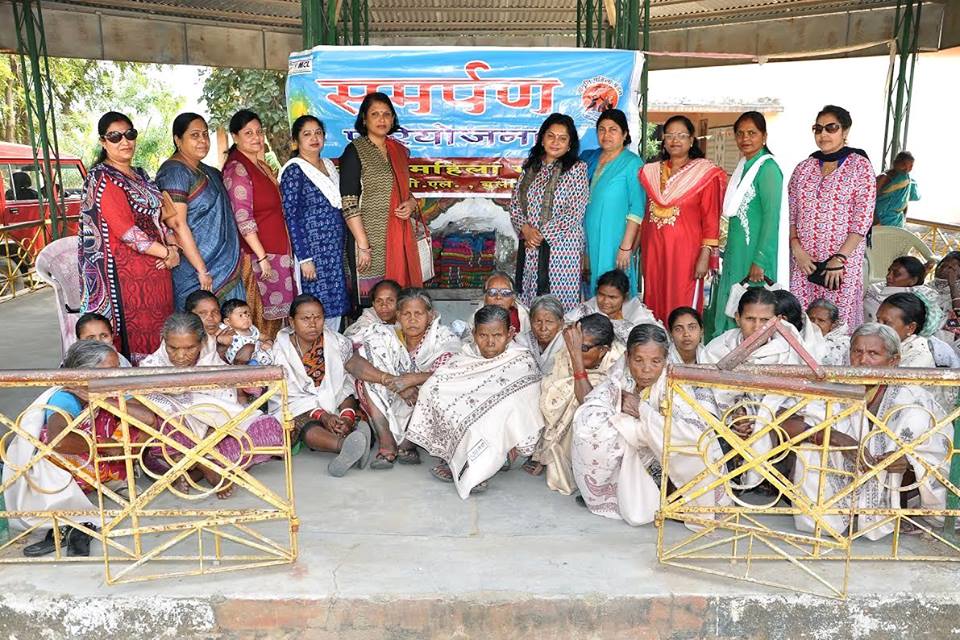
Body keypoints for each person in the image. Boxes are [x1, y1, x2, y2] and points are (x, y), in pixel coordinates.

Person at [784, 323, 948, 540]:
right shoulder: (833, 387)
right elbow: (785, 422)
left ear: (893, 361)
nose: (862, 360)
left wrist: (908, 461)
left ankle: (880, 512)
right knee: (812, 441)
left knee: (915, 419)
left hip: (897, 485)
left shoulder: (914, 396)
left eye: (873, 354)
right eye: (857, 352)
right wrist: (833, 438)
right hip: (834, 490)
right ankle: (828, 514)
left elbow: (940, 447)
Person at [4, 340, 154, 557]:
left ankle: (107, 480)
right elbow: (60, 441)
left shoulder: (108, 390)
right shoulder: (65, 397)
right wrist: (105, 446)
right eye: (109, 371)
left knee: (136, 425)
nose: (117, 375)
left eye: (117, 369)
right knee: (53, 442)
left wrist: (101, 398)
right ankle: (73, 514)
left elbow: (148, 420)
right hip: (70, 468)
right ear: (84, 374)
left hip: (99, 461)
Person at [571, 324, 729, 526]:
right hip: (643, 455)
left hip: (667, 461)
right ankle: (615, 491)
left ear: (665, 360)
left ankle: (667, 494)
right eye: (638, 360)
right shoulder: (619, 377)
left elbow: (695, 433)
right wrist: (626, 420)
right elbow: (590, 411)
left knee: (688, 446)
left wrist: (642, 413)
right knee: (590, 425)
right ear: (628, 357)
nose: (646, 369)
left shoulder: (674, 384)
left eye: (656, 361)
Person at [406, 305, 545, 498]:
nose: (490, 343)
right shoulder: (465, 355)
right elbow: (438, 383)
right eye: (483, 336)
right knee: (433, 389)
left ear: (510, 333)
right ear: (473, 333)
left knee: (500, 408)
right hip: (470, 427)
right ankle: (454, 455)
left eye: (497, 335)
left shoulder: (521, 360)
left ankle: (494, 461)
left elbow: (525, 402)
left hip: (506, 435)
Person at [140, 313, 285, 496]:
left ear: (201, 342)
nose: (180, 356)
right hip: (176, 440)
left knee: (267, 428)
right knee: (168, 423)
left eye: (190, 348)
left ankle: (194, 468)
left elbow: (225, 404)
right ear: (164, 342)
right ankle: (207, 468)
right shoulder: (151, 368)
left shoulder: (212, 361)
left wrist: (212, 432)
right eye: (173, 348)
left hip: (214, 435)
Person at [269, 294, 406, 476]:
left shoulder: (335, 341)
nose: (313, 324)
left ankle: (350, 429)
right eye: (305, 319)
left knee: (351, 403)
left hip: (335, 402)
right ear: (292, 322)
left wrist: (346, 417)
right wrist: (323, 416)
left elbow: (349, 376)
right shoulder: (280, 350)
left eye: (318, 318)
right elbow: (287, 395)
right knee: (306, 427)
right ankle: (343, 446)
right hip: (300, 408)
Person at [78, 111, 176, 364]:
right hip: (126, 277)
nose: (125, 141)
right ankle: (135, 394)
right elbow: (126, 232)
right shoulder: (103, 177)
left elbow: (160, 217)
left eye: (129, 134)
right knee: (134, 338)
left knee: (159, 334)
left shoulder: (141, 175)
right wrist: (166, 253)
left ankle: (160, 392)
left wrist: (173, 248)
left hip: (158, 270)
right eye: (115, 136)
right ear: (103, 142)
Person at [702, 287, 804, 489]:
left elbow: (797, 395)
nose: (758, 327)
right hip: (730, 420)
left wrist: (760, 416)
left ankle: (779, 482)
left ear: (777, 320)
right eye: (750, 319)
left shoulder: (790, 348)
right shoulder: (718, 348)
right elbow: (709, 392)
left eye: (765, 320)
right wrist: (735, 416)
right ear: (737, 318)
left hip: (776, 420)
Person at [788, 105, 876, 330]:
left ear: (845, 131)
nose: (823, 134)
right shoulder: (804, 168)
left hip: (840, 264)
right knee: (802, 320)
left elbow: (862, 220)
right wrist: (797, 248)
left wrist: (839, 259)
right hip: (804, 261)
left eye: (831, 128)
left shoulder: (860, 166)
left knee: (837, 322)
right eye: (818, 129)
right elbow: (790, 214)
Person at [354, 288, 461, 469]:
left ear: (430, 315)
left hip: (422, 400)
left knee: (436, 387)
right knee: (368, 379)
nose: (412, 319)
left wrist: (413, 379)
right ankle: (386, 442)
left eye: (418, 313)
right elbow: (352, 361)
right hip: (393, 393)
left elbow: (455, 373)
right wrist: (394, 382)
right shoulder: (384, 335)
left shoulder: (442, 337)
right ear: (398, 316)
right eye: (406, 314)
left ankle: (409, 441)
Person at [704, 112, 787, 340]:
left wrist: (760, 259)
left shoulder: (768, 169)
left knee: (751, 307)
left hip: (755, 254)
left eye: (752, 133)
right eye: (740, 134)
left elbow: (772, 218)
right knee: (731, 301)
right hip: (736, 251)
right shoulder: (744, 166)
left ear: (764, 136)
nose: (745, 139)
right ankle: (726, 346)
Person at [638, 115, 726, 323]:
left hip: (687, 253)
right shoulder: (651, 172)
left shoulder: (704, 173)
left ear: (692, 139)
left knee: (683, 304)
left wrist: (705, 255)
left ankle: (683, 351)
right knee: (654, 300)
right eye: (669, 135)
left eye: (681, 135)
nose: (674, 140)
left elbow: (710, 218)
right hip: (654, 250)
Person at [339, 92, 423, 305]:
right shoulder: (354, 151)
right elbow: (348, 201)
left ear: (393, 119)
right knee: (372, 304)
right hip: (367, 240)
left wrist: (411, 204)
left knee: (399, 301)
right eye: (375, 114)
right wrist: (363, 245)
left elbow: (404, 191)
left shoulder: (399, 151)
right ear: (364, 119)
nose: (382, 119)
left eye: (387, 114)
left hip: (398, 238)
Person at [155, 112, 243, 310]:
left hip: (226, 265)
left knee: (234, 329)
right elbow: (177, 223)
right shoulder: (174, 172)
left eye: (205, 134)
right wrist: (202, 270)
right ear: (178, 140)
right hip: (194, 271)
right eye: (194, 135)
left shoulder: (210, 171)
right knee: (198, 329)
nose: (203, 140)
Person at [532, 313, 624, 493]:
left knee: (581, 406)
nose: (573, 350)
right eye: (572, 344)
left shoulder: (618, 362)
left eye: (582, 347)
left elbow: (589, 403)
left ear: (603, 350)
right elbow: (553, 394)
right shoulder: (568, 353)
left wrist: (577, 360)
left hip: (605, 439)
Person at [222, 109, 294, 340]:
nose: (256, 137)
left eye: (259, 132)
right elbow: (243, 216)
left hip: (278, 252)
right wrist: (262, 257)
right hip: (259, 256)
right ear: (235, 137)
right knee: (262, 320)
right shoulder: (237, 168)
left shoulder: (261, 166)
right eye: (248, 133)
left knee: (281, 320)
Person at [509, 113, 589, 310]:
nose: (556, 142)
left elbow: (574, 211)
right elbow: (515, 204)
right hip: (531, 246)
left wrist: (540, 236)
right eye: (551, 136)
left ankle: (563, 341)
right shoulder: (531, 167)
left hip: (562, 249)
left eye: (563, 138)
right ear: (542, 138)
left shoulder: (576, 169)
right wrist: (526, 229)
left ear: (570, 144)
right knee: (531, 301)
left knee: (559, 304)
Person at [279, 115, 349, 332]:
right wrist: (305, 258)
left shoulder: (328, 165)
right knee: (315, 305)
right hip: (313, 252)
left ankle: (332, 352)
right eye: (307, 134)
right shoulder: (294, 170)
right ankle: (313, 355)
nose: (314, 138)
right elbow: (291, 216)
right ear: (296, 141)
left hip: (334, 250)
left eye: (318, 133)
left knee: (335, 302)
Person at [580, 109, 645, 297]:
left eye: (613, 129)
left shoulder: (632, 163)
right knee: (592, 286)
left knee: (614, 285)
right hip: (588, 235)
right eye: (601, 129)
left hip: (615, 237)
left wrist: (626, 247)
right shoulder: (588, 158)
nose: (606, 134)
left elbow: (637, 207)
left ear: (624, 134)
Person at [565, 269, 657, 344]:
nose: (605, 301)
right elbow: (566, 325)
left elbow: (648, 339)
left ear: (625, 297)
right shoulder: (588, 308)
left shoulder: (637, 313)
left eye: (612, 297)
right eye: (601, 295)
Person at [454, 271, 531, 339]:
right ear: (484, 298)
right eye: (492, 292)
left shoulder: (525, 319)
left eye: (505, 293)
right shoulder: (474, 320)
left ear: (513, 298)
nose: (498, 297)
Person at [863, 256, 932, 324]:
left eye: (896, 274)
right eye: (889, 271)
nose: (888, 276)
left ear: (913, 281)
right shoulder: (876, 287)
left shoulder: (911, 303)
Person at [514, 294, 566, 375]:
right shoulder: (522, 340)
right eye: (538, 321)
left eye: (549, 322)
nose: (543, 328)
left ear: (561, 323)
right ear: (530, 322)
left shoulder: (568, 342)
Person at [344, 279, 401, 343]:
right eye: (379, 301)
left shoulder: (407, 315)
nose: (384, 305)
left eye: (390, 300)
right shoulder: (368, 318)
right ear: (373, 304)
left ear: (400, 302)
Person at [219, 298, 273, 366]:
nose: (246, 318)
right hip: (237, 362)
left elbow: (265, 337)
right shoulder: (227, 330)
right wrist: (220, 339)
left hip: (258, 358)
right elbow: (215, 336)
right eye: (240, 315)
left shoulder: (252, 330)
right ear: (228, 321)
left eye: (248, 315)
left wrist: (268, 342)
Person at [874, 151, 920, 227]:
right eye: (903, 165)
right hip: (879, 221)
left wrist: (904, 218)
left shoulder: (908, 181)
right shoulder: (883, 178)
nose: (907, 169)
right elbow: (869, 200)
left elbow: (905, 201)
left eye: (910, 166)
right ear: (895, 163)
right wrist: (876, 221)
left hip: (897, 222)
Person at [806, 298, 850, 366]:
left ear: (833, 325)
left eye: (821, 320)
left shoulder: (843, 343)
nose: (814, 324)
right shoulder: (800, 336)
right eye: (811, 319)